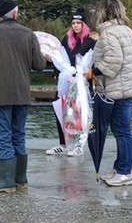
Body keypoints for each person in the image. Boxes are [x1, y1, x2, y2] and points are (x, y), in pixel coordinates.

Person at [0, 0, 47, 193]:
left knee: (3, 135)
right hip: (22, 92)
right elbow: (40, 65)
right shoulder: (29, 34)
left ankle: (6, 180)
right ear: (15, 13)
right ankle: (20, 178)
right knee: (19, 134)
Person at [91, 0, 132, 187]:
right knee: (121, 130)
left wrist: (94, 71)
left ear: (104, 12)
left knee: (122, 132)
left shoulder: (109, 33)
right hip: (128, 86)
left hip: (120, 88)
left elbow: (114, 62)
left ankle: (125, 172)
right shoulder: (127, 31)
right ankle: (119, 167)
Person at [46, 8, 97, 157]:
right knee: (61, 111)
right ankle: (63, 143)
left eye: (79, 23)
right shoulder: (66, 40)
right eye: (73, 23)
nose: (75, 26)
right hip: (65, 83)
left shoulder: (90, 42)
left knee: (80, 113)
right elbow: (60, 59)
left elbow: (91, 63)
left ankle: (79, 144)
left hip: (82, 84)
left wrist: (79, 75)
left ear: (84, 25)